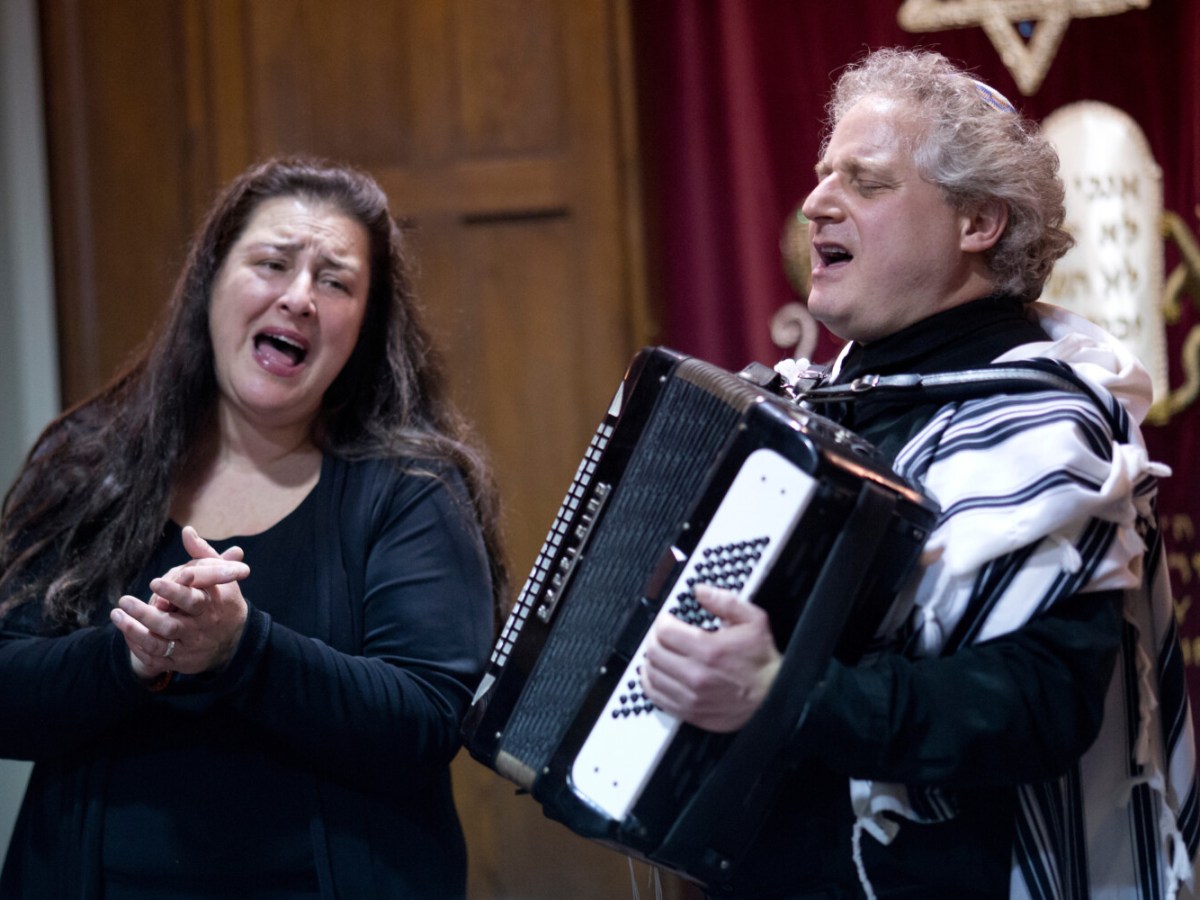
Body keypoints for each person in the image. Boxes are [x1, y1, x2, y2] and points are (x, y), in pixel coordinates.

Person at [640, 48, 1199, 899]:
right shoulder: (817, 406)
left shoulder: (1046, 426)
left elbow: (1039, 706)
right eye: (823, 175)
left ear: (979, 223)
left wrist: (787, 693)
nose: (816, 203)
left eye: (865, 182)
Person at [0, 157, 506, 899]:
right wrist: (132, 657)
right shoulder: (87, 464)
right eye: (272, 263)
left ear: (364, 327)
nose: (299, 297)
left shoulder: (412, 489)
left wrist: (242, 649)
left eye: (335, 282)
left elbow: (428, 720)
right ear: (210, 282)